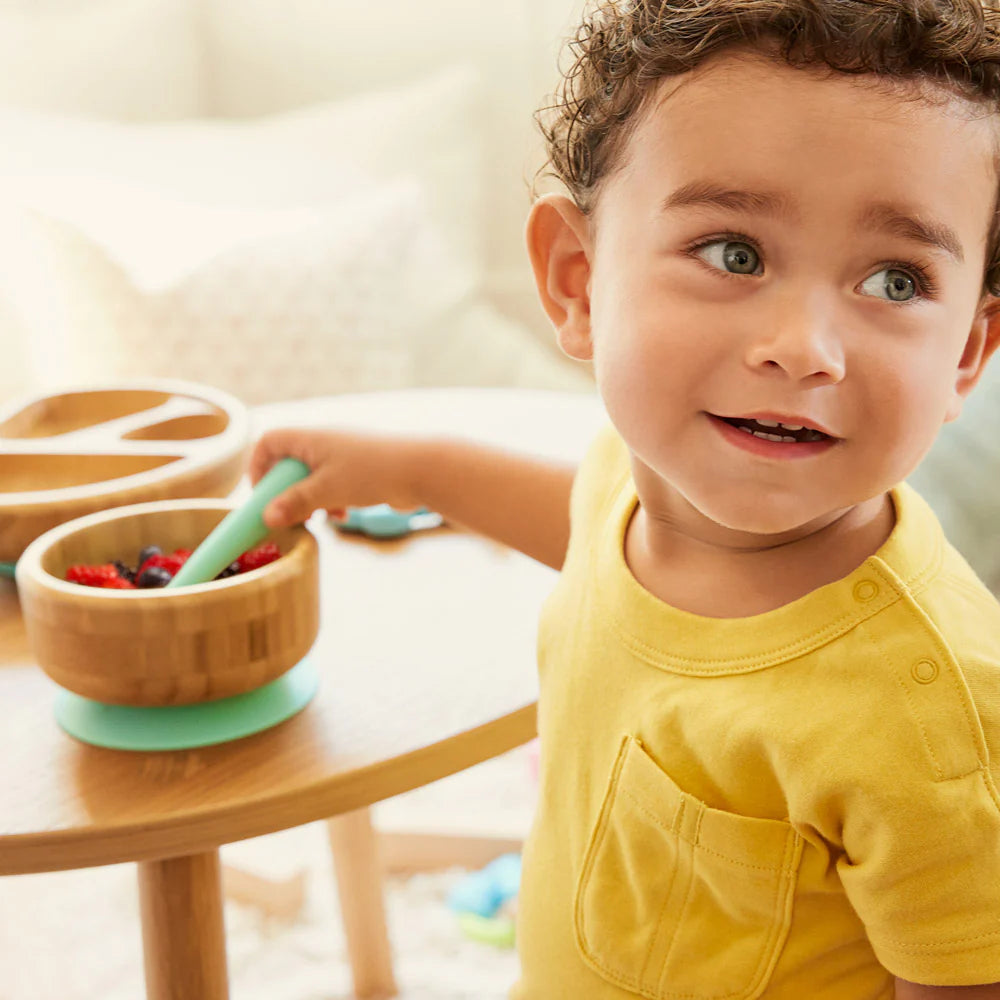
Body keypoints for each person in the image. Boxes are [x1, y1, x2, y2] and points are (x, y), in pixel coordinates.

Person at [249, 1, 1000, 995]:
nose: (803, 347)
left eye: (895, 281)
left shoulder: (935, 720)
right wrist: (416, 467)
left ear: (966, 357)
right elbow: (587, 519)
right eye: (735, 253)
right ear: (576, 284)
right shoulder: (644, 478)